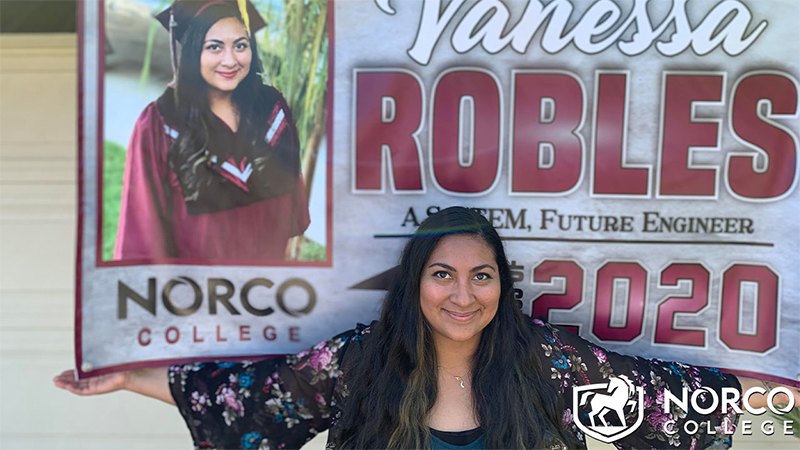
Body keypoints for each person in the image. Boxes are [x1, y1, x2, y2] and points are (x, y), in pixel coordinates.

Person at [56, 207, 799, 449]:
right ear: (415, 285)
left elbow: (688, 395)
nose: (462, 294)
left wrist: (792, 398)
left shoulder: (550, 364)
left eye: (481, 276)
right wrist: (127, 379)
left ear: (501, 287)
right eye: (442, 275)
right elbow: (245, 399)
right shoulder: (357, 363)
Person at [113, 0, 310, 261]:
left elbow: (290, 215)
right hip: (196, 293)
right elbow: (142, 232)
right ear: (194, 53)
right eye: (214, 47)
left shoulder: (273, 111)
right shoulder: (159, 123)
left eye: (241, 45)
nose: (230, 61)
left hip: (265, 287)